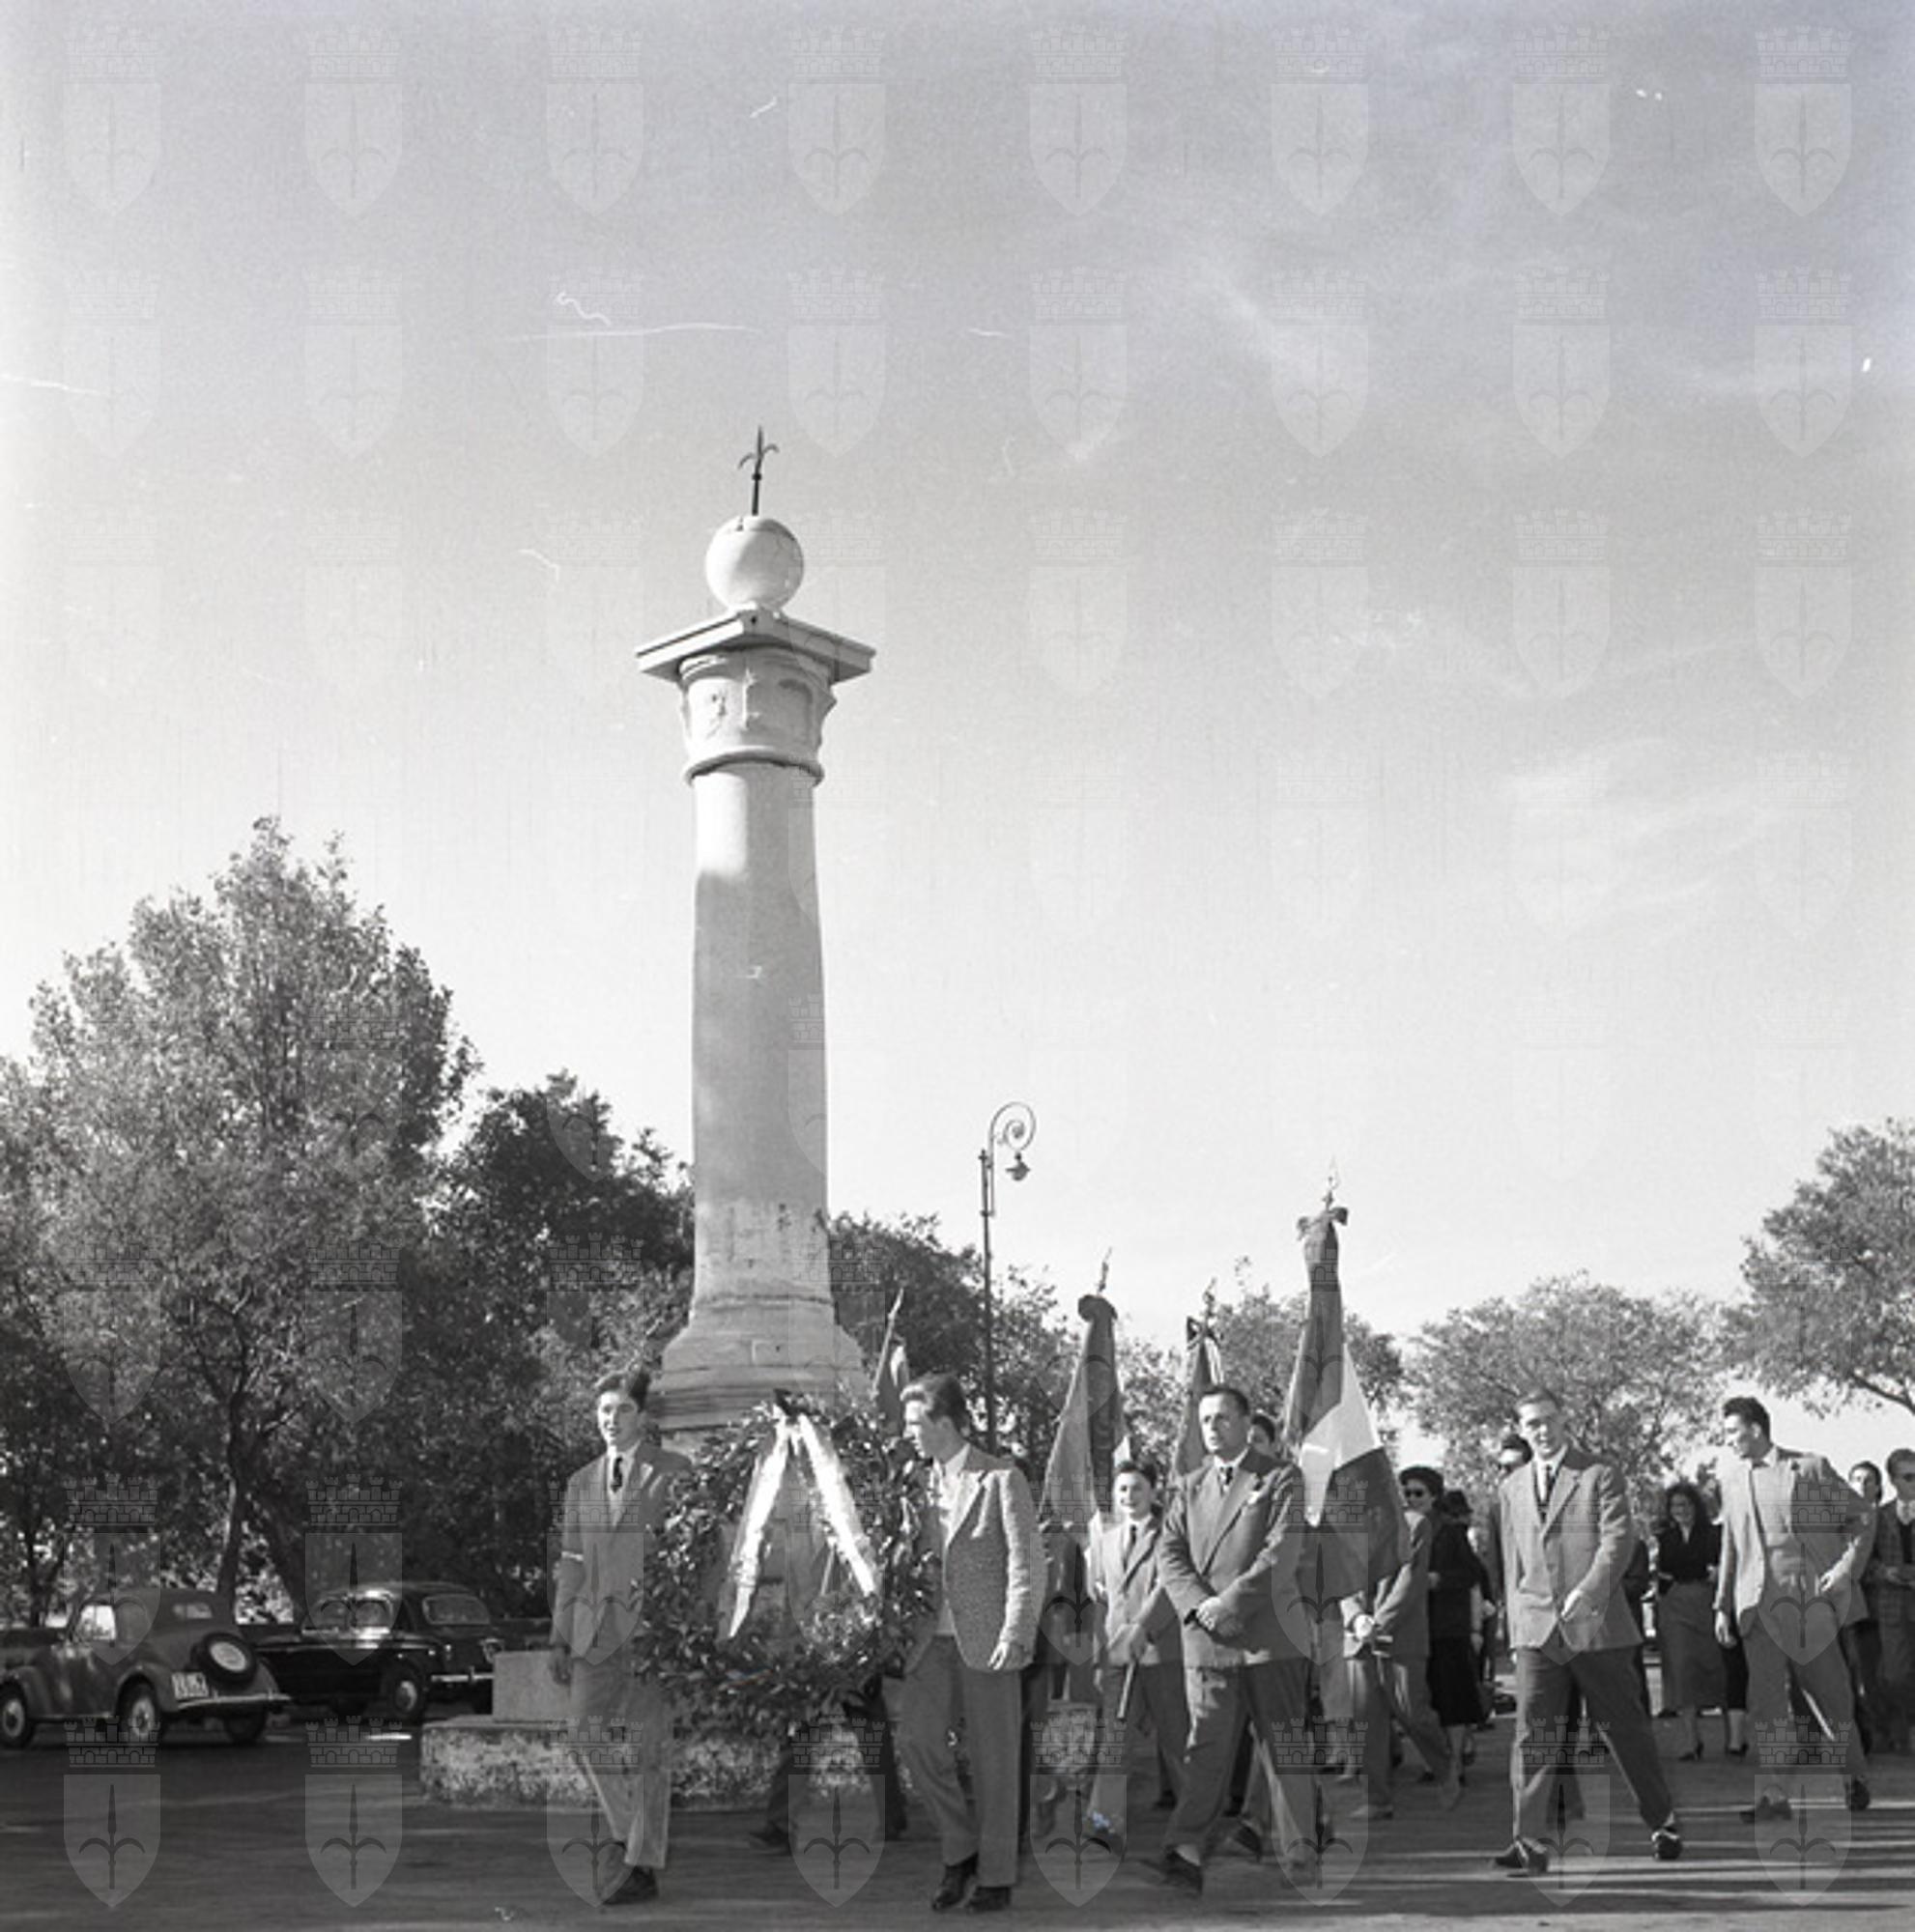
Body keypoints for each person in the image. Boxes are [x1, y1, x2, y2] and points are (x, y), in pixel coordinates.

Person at [1491, 1387, 1682, 1876]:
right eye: (1532, 1424)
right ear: (1521, 1429)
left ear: (1564, 1419)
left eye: (1548, 1420)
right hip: (1537, 1631)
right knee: (1533, 1736)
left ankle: (1662, 1821)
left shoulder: (1600, 1473)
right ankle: (1528, 1838)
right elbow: (1511, 1564)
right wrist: (1516, 1629)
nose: (1542, 1430)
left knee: (1625, 1730)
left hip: (1597, 1628)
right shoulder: (1511, 1488)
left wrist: (1590, 1591)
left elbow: (1619, 1540)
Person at [1153, 1385, 1311, 1898]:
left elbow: (1282, 1551)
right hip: (1207, 1642)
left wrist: (1231, 1604)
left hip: (1268, 1637)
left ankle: (1299, 1852)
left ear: (1246, 1422)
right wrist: (1203, 1606)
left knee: (1283, 1748)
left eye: (1222, 1418)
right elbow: (1169, 1555)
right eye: (1205, 1420)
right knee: (1206, 1751)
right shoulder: (1188, 1486)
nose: (1213, 1428)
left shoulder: (1281, 1477)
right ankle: (1184, 1849)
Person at [895, 1372, 1042, 1915]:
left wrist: (1016, 1632)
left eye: (915, 1423)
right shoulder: (912, 1486)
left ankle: (996, 1874)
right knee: (917, 1742)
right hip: (927, 1643)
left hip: (990, 1642)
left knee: (995, 1760)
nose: (908, 1433)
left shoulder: (1002, 1479)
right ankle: (960, 1850)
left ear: (946, 1423)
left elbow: (1027, 1564)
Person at [549, 1367, 691, 1907]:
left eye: (623, 1409)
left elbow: (700, 1552)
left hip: (655, 1633)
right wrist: (560, 1635)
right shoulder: (580, 1482)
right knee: (585, 1733)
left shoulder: (673, 1472)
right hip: (595, 1633)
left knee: (650, 1750)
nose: (612, 1419)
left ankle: (642, 1866)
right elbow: (571, 1563)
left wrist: (689, 1626)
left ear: (643, 1417)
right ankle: (631, 1834)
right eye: (605, 1410)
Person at [1713, 1394, 1872, 1817]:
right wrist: (1722, 1606)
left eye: (1732, 1431)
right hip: (1756, 1608)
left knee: (1831, 1697)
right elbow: (1730, 1546)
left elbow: (1862, 1517)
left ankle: (1853, 1775)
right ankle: (1773, 1796)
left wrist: (1845, 1570)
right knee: (1767, 1705)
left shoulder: (1810, 1468)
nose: (1727, 1440)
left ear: (1756, 1429)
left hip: (1809, 1605)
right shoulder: (1731, 1480)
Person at [1341, 1466, 1465, 1820]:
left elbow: (1411, 1582)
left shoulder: (1415, 1525)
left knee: (1413, 1712)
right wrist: (1356, 1618)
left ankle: (1447, 1769)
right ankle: (1377, 1799)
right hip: (1358, 1640)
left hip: (1401, 1637)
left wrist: (1379, 1623)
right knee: (1367, 1722)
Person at [1084, 1460, 1186, 1844]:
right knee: (1115, 1739)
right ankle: (1105, 1822)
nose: (1129, 1496)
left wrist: (1141, 1629)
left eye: (1137, 1488)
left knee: (1176, 1741)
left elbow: (1168, 1589)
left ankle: (1192, 1823)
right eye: (1122, 1489)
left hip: (1162, 1653)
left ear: (1153, 1491)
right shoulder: (1106, 1540)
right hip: (1117, 1656)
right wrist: (1103, 1655)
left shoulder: (1170, 1535)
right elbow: (1103, 1601)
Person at [1653, 1482, 1726, 1760]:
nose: (1680, 1510)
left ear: (1696, 1506)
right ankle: (1690, 1741)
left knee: (1715, 1667)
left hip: (1707, 1606)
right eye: (1674, 1506)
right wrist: (1693, 1572)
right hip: (1674, 1608)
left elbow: (1714, 1571)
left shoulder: (1713, 1534)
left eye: (1685, 1505)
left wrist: (1691, 1572)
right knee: (1681, 1670)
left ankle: (1733, 1737)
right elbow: (1665, 1574)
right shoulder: (1665, 1537)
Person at [1428, 1489, 1489, 1769]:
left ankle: (1455, 1757)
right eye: (1407, 1494)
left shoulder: (1452, 1535)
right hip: (1425, 1628)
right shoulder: (1411, 1532)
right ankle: (1446, 1755)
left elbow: (1472, 1577)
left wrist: (1439, 1580)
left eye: (1418, 1493)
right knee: (1435, 1697)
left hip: (1452, 1628)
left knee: (1455, 1696)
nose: (1412, 1499)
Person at [1866, 1449, 1915, 1754]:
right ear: (1894, 1480)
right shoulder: (1879, 1516)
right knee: (1894, 1675)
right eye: (1909, 1477)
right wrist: (1886, 1572)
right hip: (1891, 1606)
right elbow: (1865, 1563)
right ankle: (1901, 1724)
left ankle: (1904, 1733)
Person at [1846, 1459, 1891, 1754]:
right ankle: (1870, 1732)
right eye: (1856, 1480)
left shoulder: (1885, 1519)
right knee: (1860, 1673)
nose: (1862, 1485)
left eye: (1868, 1480)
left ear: (1878, 1487)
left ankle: (1888, 1729)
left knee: (1885, 1673)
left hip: (1885, 1605)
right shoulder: (1841, 1522)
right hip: (1853, 1609)